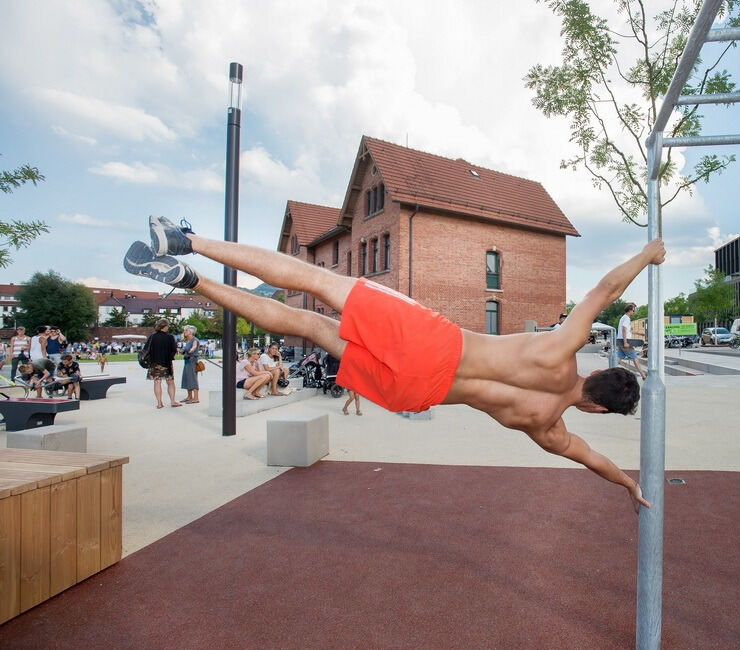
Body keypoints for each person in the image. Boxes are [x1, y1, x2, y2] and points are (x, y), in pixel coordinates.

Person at [125, 216, 665, 510]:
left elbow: (604, 287)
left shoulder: (560, 347)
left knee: (315, 286)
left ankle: (185, 243)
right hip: (414, 392)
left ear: (596, 371)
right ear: (596, 410)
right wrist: (629, 485)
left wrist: (646, 255)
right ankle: (192, 283)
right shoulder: (550, 430)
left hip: (436, 345)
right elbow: (591, 460)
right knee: (315, 331)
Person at [146, 318, 181, 409]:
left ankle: (159, 403)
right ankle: (173, 401)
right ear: (164, 326)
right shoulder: (170, 337)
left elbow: (146, 350)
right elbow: (173, 350)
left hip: (154, 363)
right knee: (170, 382)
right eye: (168, 325)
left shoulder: (152, 337)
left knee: (157, 382)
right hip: (166, 363)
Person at [617, 304, 647, 380]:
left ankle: (609, 374)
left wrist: (640, 334)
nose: (634, 312)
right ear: (630, 310)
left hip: (620, 341)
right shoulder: (627, 318)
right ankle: (643, 376)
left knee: (618, 360)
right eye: (633, 310)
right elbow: (624, 329)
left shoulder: (623, 318)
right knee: (635, 358)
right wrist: (625, 342)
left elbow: (629, 331)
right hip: (624, 342)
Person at [178, 325, 201, 404]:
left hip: (192, 361)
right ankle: (189, 396)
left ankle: (196, 398)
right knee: (187, 378)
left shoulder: (195, 340)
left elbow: (193, 348)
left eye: (186, 330)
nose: (184, 332)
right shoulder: (188, 341)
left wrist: (191, 350)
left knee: (193, 379)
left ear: (191, 332)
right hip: (187, 361)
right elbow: (185, 350)